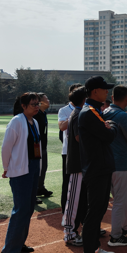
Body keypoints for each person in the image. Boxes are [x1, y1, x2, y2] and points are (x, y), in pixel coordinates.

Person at [78, 76, 118, 253]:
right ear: (95, 91)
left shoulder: (94, 112)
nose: (107, 93)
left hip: (100, 168)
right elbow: (109, 135)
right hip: (96, 170)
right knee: (93, 214)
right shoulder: (90, 113)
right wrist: (111, 127)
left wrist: (109, 127)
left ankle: (94, 250)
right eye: (104, 89)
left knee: (99, 210)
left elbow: (107, 132)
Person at [0, 93, 43, 253]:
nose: (36, 106)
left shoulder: (35, 122)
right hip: (20, 170)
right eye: (33, 104)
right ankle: (9, 250)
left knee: (28, 207)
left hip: (31, 168)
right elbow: (6, 147)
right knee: (21, 209)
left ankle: (19, 243)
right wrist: (6, 167)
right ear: (23, 106)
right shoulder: (17, 121)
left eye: (37, 103)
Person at [102, 86, 127, 246]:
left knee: (120, 199)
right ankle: (116, 235)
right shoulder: (122, 116)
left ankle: (124, 228)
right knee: (120, 201)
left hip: (107, 162)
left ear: (112, 96)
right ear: (126, 99)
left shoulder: (104, 113)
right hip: (122, 163)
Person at [62, 86, 88, 246]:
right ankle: (69, 233)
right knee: (73, 199)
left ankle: (73, 230)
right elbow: (79, 138)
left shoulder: (77, 113)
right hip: (77, 163)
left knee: (79, 199)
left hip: (80, 163)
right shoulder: (78, 114)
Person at [59, 84, 82, 214]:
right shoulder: (64, 110)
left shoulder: (86, 109)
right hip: (68, 152)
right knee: (68, 183)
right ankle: (66, 212)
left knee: (84, 184)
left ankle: (81, 214)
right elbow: (62, 126)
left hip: (84, 151)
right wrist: (75, 115)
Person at [35, 92, 51, 198]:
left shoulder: (43, 113)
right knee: (37, 168)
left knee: (43, 167)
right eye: (46, 99)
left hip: (43, 145)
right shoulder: (36, 115)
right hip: (36, 146)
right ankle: (34, 191)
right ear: (40, 102)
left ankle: (40, 187)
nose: (48, 101)